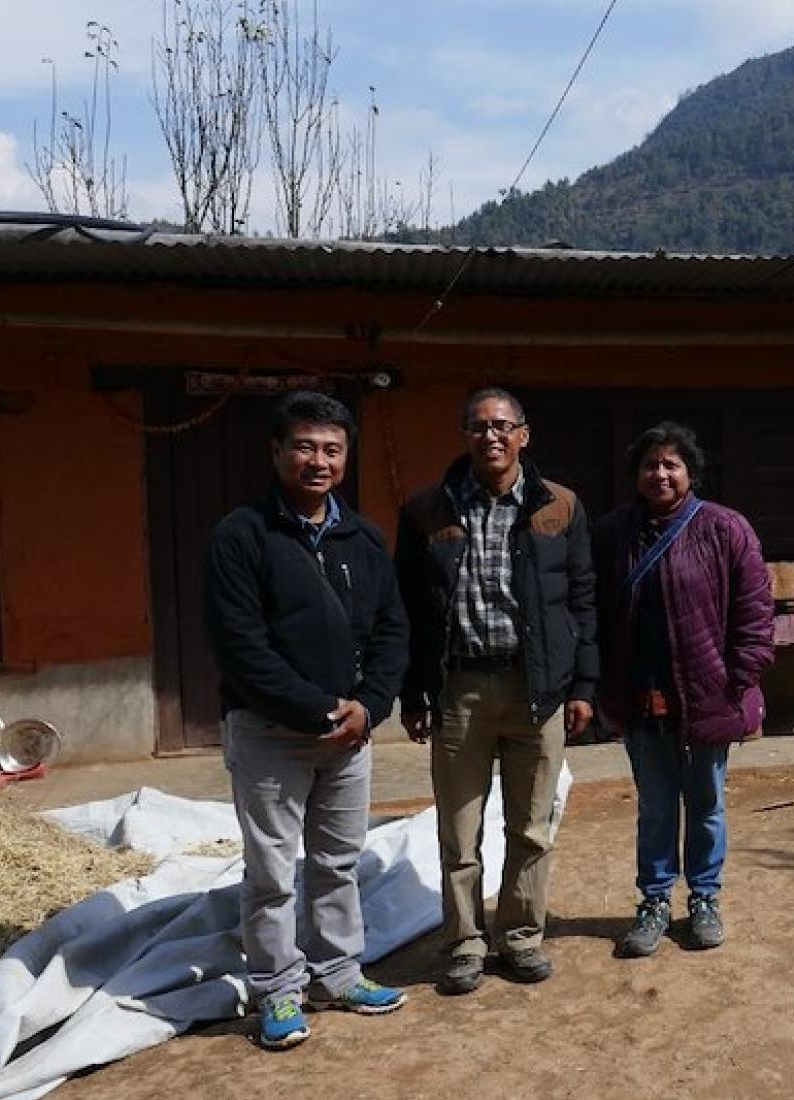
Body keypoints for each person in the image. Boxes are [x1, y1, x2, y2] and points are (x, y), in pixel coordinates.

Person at [203, 391, 410, 1051]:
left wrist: (370, 705)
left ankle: (338, 974)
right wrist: (322, 710)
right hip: (271, 734)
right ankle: (277, 989)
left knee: (338, 862)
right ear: (277, 452)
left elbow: (392, 631)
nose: (316, 460)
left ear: (345, 457)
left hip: (351, 735)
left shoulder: (364, 537)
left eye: (331, 448)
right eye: (304, 446)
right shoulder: (241, 535)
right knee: (269, 872)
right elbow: (241, 648)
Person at [394, 387, 597, 995]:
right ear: (465, 435)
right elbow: (408, 608)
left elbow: (583, 598)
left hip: (535, 689)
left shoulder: (559, 505)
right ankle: (464, 943)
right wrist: (414, 693)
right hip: (459, 689)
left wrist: (583, 684)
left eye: (503, 426)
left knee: (531, 827)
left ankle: (520, 937)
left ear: (524, 435)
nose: (492, 436)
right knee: (460, 833)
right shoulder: (427, 509)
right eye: (479, 426)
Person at [593, 421, 774, 958]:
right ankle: (653, 902)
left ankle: (704, 898)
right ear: (637, 474)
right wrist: (601, 685)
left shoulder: (725, 529)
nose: (661, 473)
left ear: (692, 472)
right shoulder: (612, 533)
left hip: (706, 695)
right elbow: (592, 611)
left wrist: (738, 680)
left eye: (672, 463)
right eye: (651, 464)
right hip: (641, 693)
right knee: (654, 806)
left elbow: (755, 610)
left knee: (707, 803)